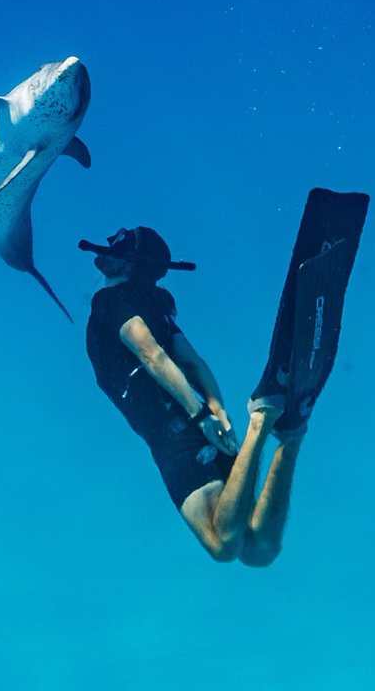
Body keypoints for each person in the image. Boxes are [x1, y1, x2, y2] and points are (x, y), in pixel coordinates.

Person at [80, 226, 302, 566]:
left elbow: (150, 353)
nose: (107, 250)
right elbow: (193, 362)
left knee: (223, 544)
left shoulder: (110, 302)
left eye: (117, 248)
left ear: (129, 264)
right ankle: (289, 439)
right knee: (259, 551)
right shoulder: (156, 307)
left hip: (173, 435)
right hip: (202, 423)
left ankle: (261, 423)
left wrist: (201, 415)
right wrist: (218, 413)